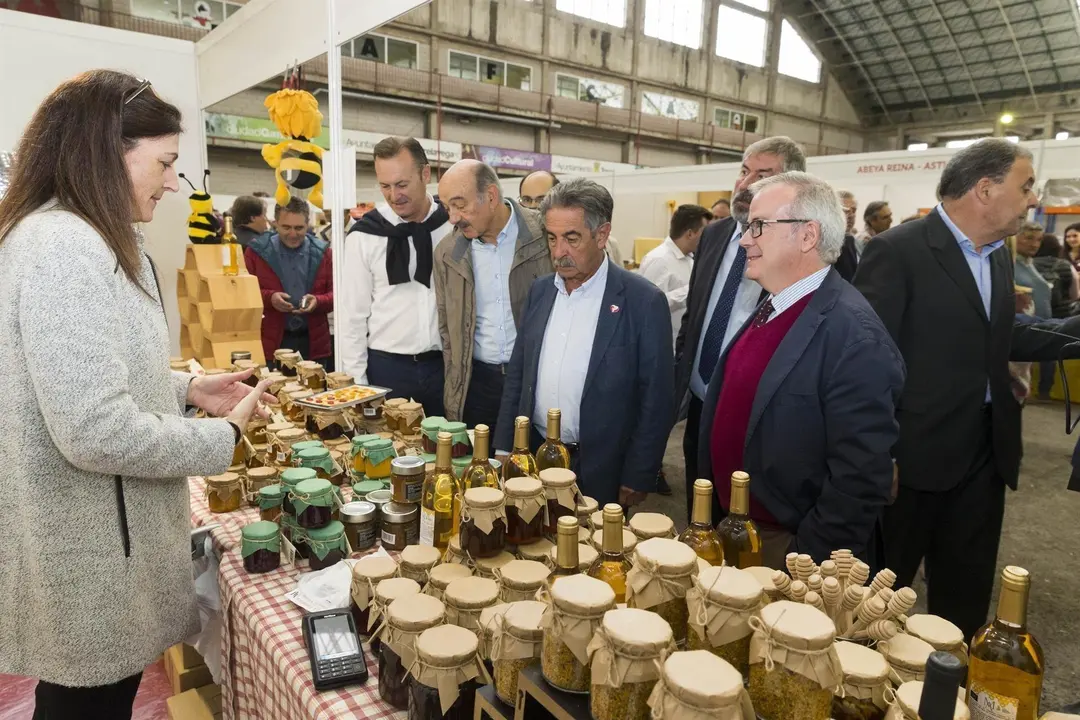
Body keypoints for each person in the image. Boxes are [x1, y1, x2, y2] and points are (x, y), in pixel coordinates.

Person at [0, 69, 273, 719]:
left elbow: (86, 372)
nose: (174, 183)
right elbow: (92, 428)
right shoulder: (65, 246)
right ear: (107, 151)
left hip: (96, 540)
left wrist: (187, 388)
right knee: (85, 705)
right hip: (92, 552)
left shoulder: (78, 235)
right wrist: (223, 436)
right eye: (165, 162)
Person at [854, 138, 1080, 642]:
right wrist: (877, 453)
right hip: (910, 460)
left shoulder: (996, 255)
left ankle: (947, 682)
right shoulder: (898, 250)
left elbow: (1001, 334)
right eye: (1026, 187)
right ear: (985, 189)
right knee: (880, 604)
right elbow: (867, 361)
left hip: (984, 453)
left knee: (964, 601)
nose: (1033, 200)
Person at [698, 172, 903, 566]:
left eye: (759, 226)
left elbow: (860, 478)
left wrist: (803, 558)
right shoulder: (778, 302)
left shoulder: (855, 338)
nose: (745, 240)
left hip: (788, 548)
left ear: (808, 235)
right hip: (740, 526)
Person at [495, 178, 674, 506]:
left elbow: (657, 398)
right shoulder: (540, 291)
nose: (558, 252)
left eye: (571, 238)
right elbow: (519, 374)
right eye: (552, 238)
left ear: (602, 235)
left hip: (602, 468)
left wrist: (639, 472)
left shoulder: (642, 302)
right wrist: (506, 445)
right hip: (534, 457)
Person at [675, 136, 806, 519]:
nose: (746, 184)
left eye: (762, 175)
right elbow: (695, 314)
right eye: (744, 172)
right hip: (700, 402)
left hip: (756, 414)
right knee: (699, 512)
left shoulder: (800, 247)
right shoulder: (713, 235)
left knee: (745, 520)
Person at [433, 160, 551, 433]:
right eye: (447, 208)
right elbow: (447, 331)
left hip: (535, 380)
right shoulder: (447, 253)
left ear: (491, 196)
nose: (453, 218)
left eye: (460, 205)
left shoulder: (544, 236)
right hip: (478, 386)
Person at [339, 136, 452, 412]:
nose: (393, 195)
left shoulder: (452, 226)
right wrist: (358, 385)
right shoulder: (365, 235)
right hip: (386, 370)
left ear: (425, 174)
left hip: (446, 368)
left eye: (402, 184)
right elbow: (352, 317)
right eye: (385, 186)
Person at [245, 197, 334, 367]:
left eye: (299, 228)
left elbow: (337, 295)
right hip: (270, 344)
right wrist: (270, 298)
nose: (293, 234)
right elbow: (244, 294)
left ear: (308, 224)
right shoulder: (255, 253)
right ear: (275, 223)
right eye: (286, 227)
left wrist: (318, 301)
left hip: (314, 345)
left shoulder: (324, 254)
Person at [517, 168, 626, 267]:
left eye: (541, 199)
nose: (533, 206)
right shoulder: (518, 247)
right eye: (526, 200)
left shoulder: (609, 245)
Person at [638, 204, 713, 345]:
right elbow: (647, 306)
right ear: (690, 234)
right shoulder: (659, 260)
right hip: (663, 345)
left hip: (682, 342)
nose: (709, 238)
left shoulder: (690, 259)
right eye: (705, 232)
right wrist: (691, 291)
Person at [833, 190, 860, 281]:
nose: (851, 215)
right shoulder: (827, 243)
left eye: (854, 210)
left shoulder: (854, 241)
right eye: (845, 211)